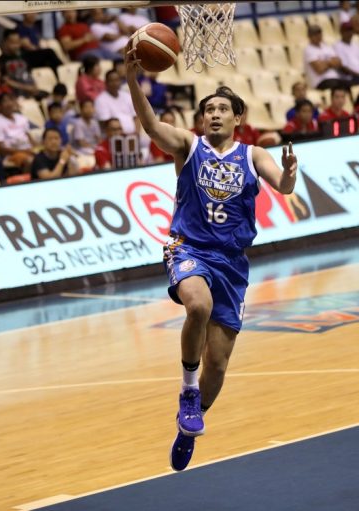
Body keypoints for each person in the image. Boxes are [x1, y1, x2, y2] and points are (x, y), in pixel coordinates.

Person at [125, 46, 298, 472]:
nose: (215, 114)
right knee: (197, 305)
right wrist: (133, 78)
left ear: (238, 118)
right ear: (201, 119)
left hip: (232, 262)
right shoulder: (187, 146)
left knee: (218, 364)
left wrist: (290, 172)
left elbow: (285, 187)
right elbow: (149, 124)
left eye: (223, 109)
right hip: (188, 246)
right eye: (209, 110)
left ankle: (188, 427)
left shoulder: (253, 155)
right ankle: (187, 389)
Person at [0, 92, 37, 173]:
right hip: (12, 154)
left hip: (28, 150)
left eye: (10, 100)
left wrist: (38, 149)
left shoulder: (21, 118)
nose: (9, 104)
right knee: (30, 161)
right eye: (5, 101)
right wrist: (23, 151)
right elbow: (1, 149)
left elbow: (29, 137)